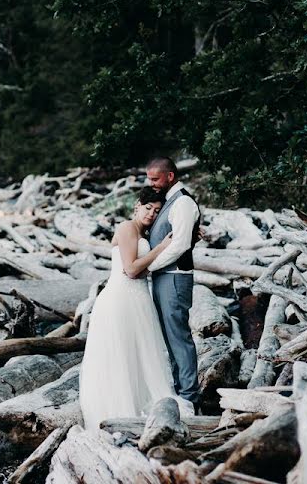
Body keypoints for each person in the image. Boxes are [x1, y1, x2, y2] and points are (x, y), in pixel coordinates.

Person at [78, 186, 194, 430]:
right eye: (148, 208)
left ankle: (144, 406)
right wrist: (161, 248)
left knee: (140, 354)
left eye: (156, 210)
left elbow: (141, 269)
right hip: (121, 298)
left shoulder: (145, 232)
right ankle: (120, 409)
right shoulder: (127, 228)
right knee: (121, 354)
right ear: (136, 206)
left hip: (138, 298)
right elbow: (130, 270)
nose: (151, 214)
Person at [145, 156, 201, 408]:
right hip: (164, 277)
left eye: (155, 179)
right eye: (149, 179)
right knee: (169, 338)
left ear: (170, 176)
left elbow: (180, 244)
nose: (152, 184)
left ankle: (189, 398)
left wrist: (147, 266)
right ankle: (180, 391)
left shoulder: (184, 202)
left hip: (175, 277)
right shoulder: (169, 202)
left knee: (179, 338)